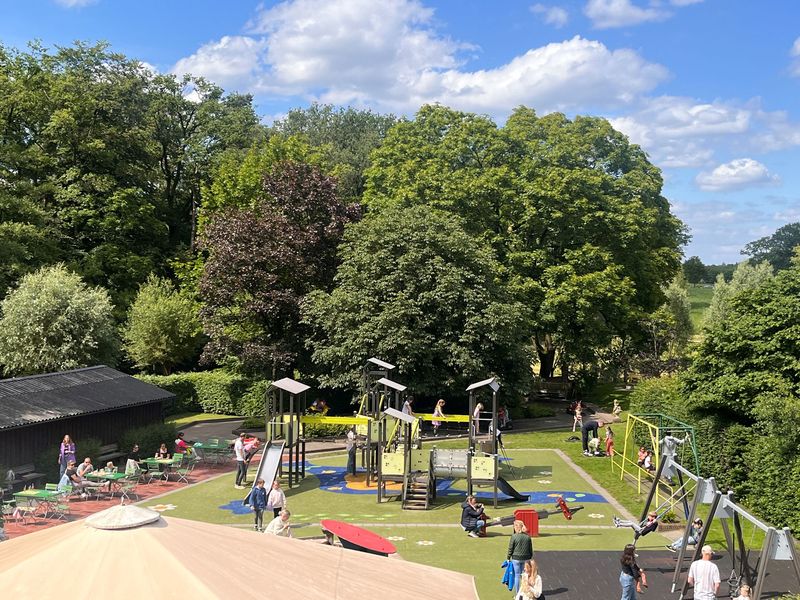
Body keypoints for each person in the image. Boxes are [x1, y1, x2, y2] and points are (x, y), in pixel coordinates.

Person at [507, 520, 534, 594]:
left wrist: (508, 558)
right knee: (524, 576)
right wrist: (530, 557)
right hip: (526, 558)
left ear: (516, 527)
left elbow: (510, 548)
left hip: (516, 558)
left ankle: (517, 594)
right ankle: (524, 592)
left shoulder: (514, 536)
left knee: (517, 576)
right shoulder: (527, 537)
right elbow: (530, 549)